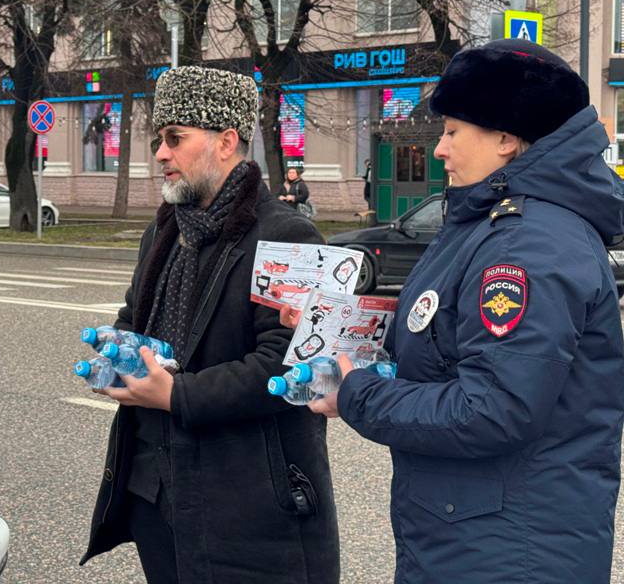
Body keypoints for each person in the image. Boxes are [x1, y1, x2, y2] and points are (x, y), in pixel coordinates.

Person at [306, 39, 624, 583]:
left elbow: (492, 409)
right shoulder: (491, 225)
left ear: (505, 138)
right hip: (478, 536)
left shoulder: (526, 244)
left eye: (453, 131)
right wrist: (343, 329)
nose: (439, 149)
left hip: (508, 554)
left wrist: (357, 393)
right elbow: (443, 332)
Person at [81, 66, 340, 584]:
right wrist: (119, 356)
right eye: (159, 140)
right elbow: (133, 318)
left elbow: (292, 367)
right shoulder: (163, 230)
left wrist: (175, 394)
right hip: (155, 493)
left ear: (226, 141)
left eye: (175, 138)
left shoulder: (287, 235)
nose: (161, 153)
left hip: (248, 510)